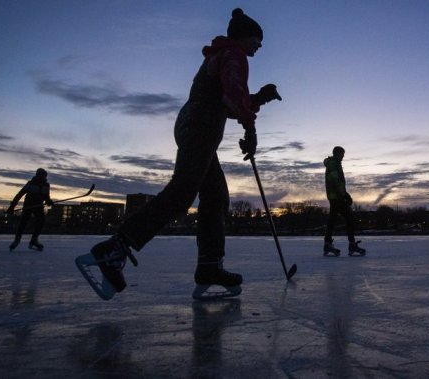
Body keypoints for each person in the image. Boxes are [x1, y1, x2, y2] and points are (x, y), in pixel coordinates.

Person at [76, 8, 281, 300]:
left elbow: (229, 97)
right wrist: (251, 130)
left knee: (216, 198)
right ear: (244, 37)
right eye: (257, 40)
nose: (259, 46)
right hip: (201, 126)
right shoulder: (234, 54)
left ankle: (210, 266)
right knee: (183, 192)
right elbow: (233, 98)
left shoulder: (221, 54)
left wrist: (258, 99)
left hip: (194, 124)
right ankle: (115, 248)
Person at [323, 146, 366, 256]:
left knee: (333, 219)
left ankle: (328, 243)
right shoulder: (333, 164)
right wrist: (344, 195)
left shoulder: (335, 163)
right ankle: (351, 245)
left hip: (336, 196)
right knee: (348, 218)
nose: (343, 156)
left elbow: (338, 182)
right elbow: (336, 181)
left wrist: (344, 194)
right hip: (337, 197)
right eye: (342, 154)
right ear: (338, 153)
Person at [7, 168, 53, 251]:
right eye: (40, 175)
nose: (42, 177)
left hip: (39, 206)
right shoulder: (30, 184)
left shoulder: (46, 185)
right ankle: (17, 240)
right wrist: (12, 206)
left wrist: (49, 201)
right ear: (37, 175)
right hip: (28, 205)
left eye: (43, 176)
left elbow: (46, 197)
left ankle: (34, 240)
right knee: (23, 222)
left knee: (41, 221)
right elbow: (19, 195)